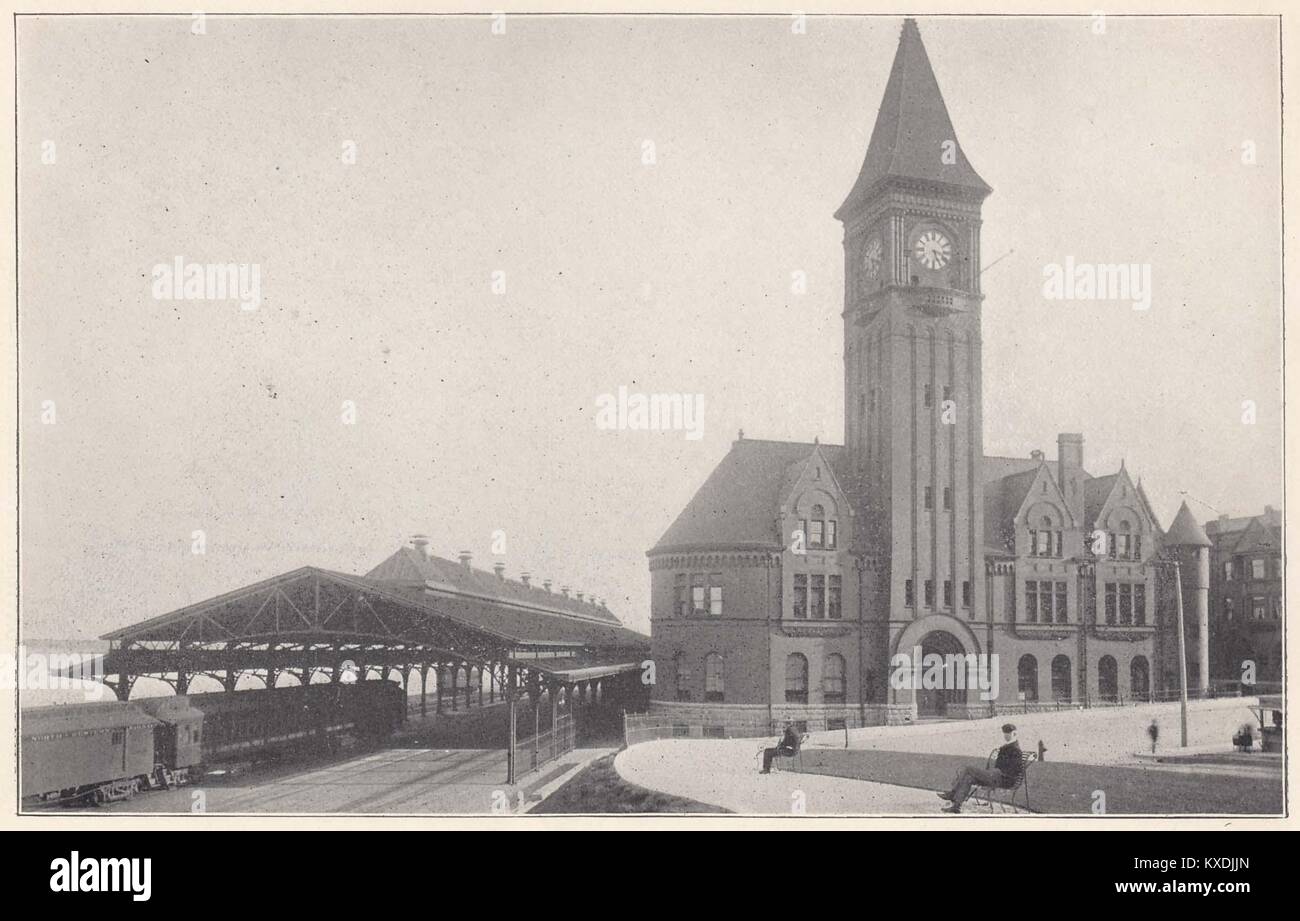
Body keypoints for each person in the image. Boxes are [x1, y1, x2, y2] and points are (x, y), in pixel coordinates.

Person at [939, 723, 1022, 813]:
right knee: (968, 778)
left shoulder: (1016, 750)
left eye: (1008, 733)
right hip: (996, 776)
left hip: (1003, 779)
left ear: (1014, 734)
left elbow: (1016, 770)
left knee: (968, 769)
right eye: (1005, 733)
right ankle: (956, 807)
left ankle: (952, 793)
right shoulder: (1006, 747)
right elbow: (999, 765)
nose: (1006, 735)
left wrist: (998, 772)